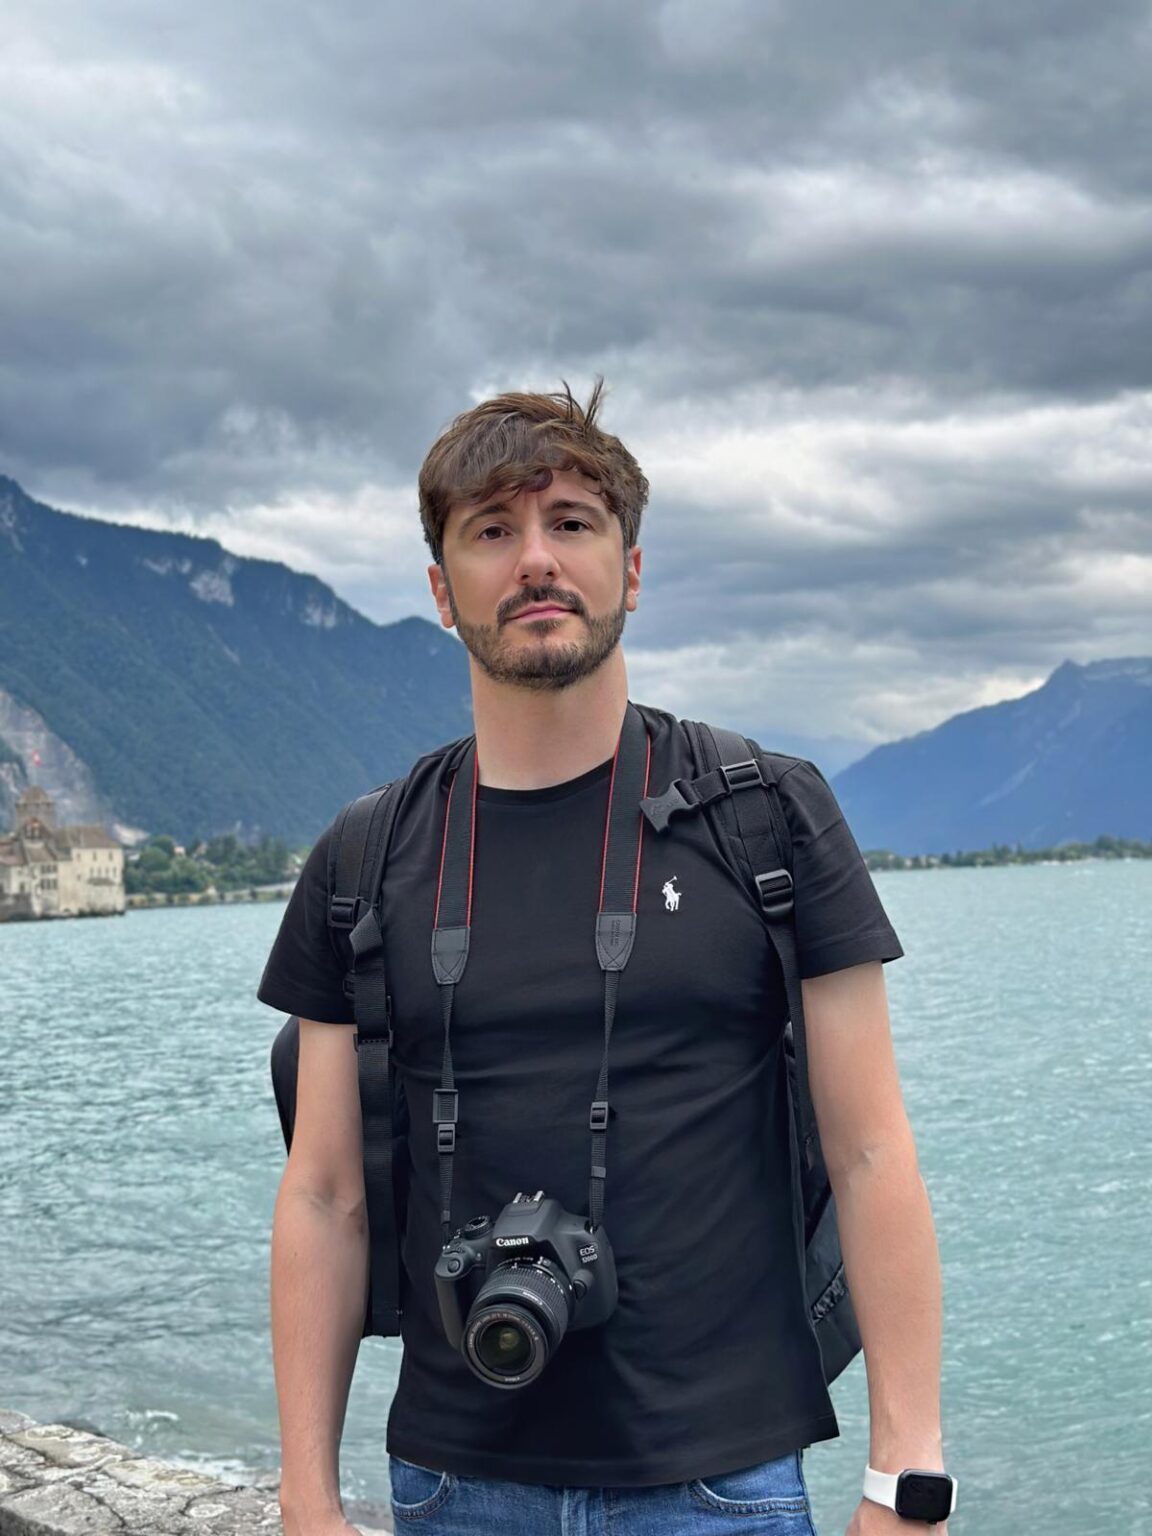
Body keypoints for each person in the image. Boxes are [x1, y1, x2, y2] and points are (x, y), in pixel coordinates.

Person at [257, 383, 952, 1536]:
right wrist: (306, 1498)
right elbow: (325, 1194)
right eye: (492, 530)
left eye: (571, 522)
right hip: (451, 1484)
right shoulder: (364, 858)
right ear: (440, 590)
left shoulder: (768, 817)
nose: (536, 558)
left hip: (721, 1482)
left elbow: (873, 1150)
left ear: (630, 569)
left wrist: (906, 1480)